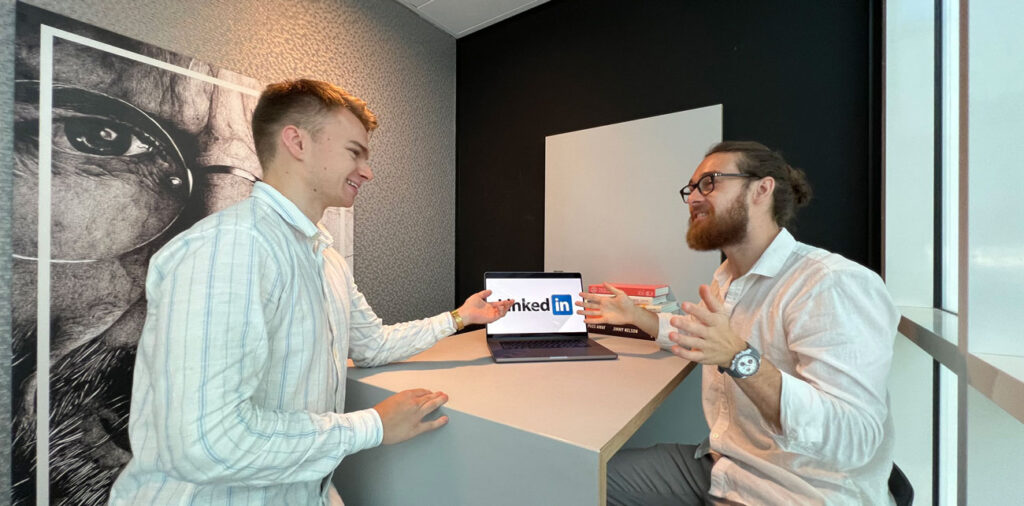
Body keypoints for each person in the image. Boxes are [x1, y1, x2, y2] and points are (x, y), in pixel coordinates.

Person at [107, 79, 514, 505]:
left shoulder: (325, 258)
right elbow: (206, 443)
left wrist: (459, 318)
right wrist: (372, 425)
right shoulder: (230, 248)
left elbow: (372, 344)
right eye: (355, 152)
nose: (368, 171)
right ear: (296, 142)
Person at [579, 141, 899, 505]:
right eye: (691, 188)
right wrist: (640, 318)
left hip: (797, 491)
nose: (693, 198)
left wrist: (738, 358)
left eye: (710, 182)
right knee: (579, 476)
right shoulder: (728, 276)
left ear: (762, 189)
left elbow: (855, 438)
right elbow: (709, 338)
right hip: (725, 466)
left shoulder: (831, 283)